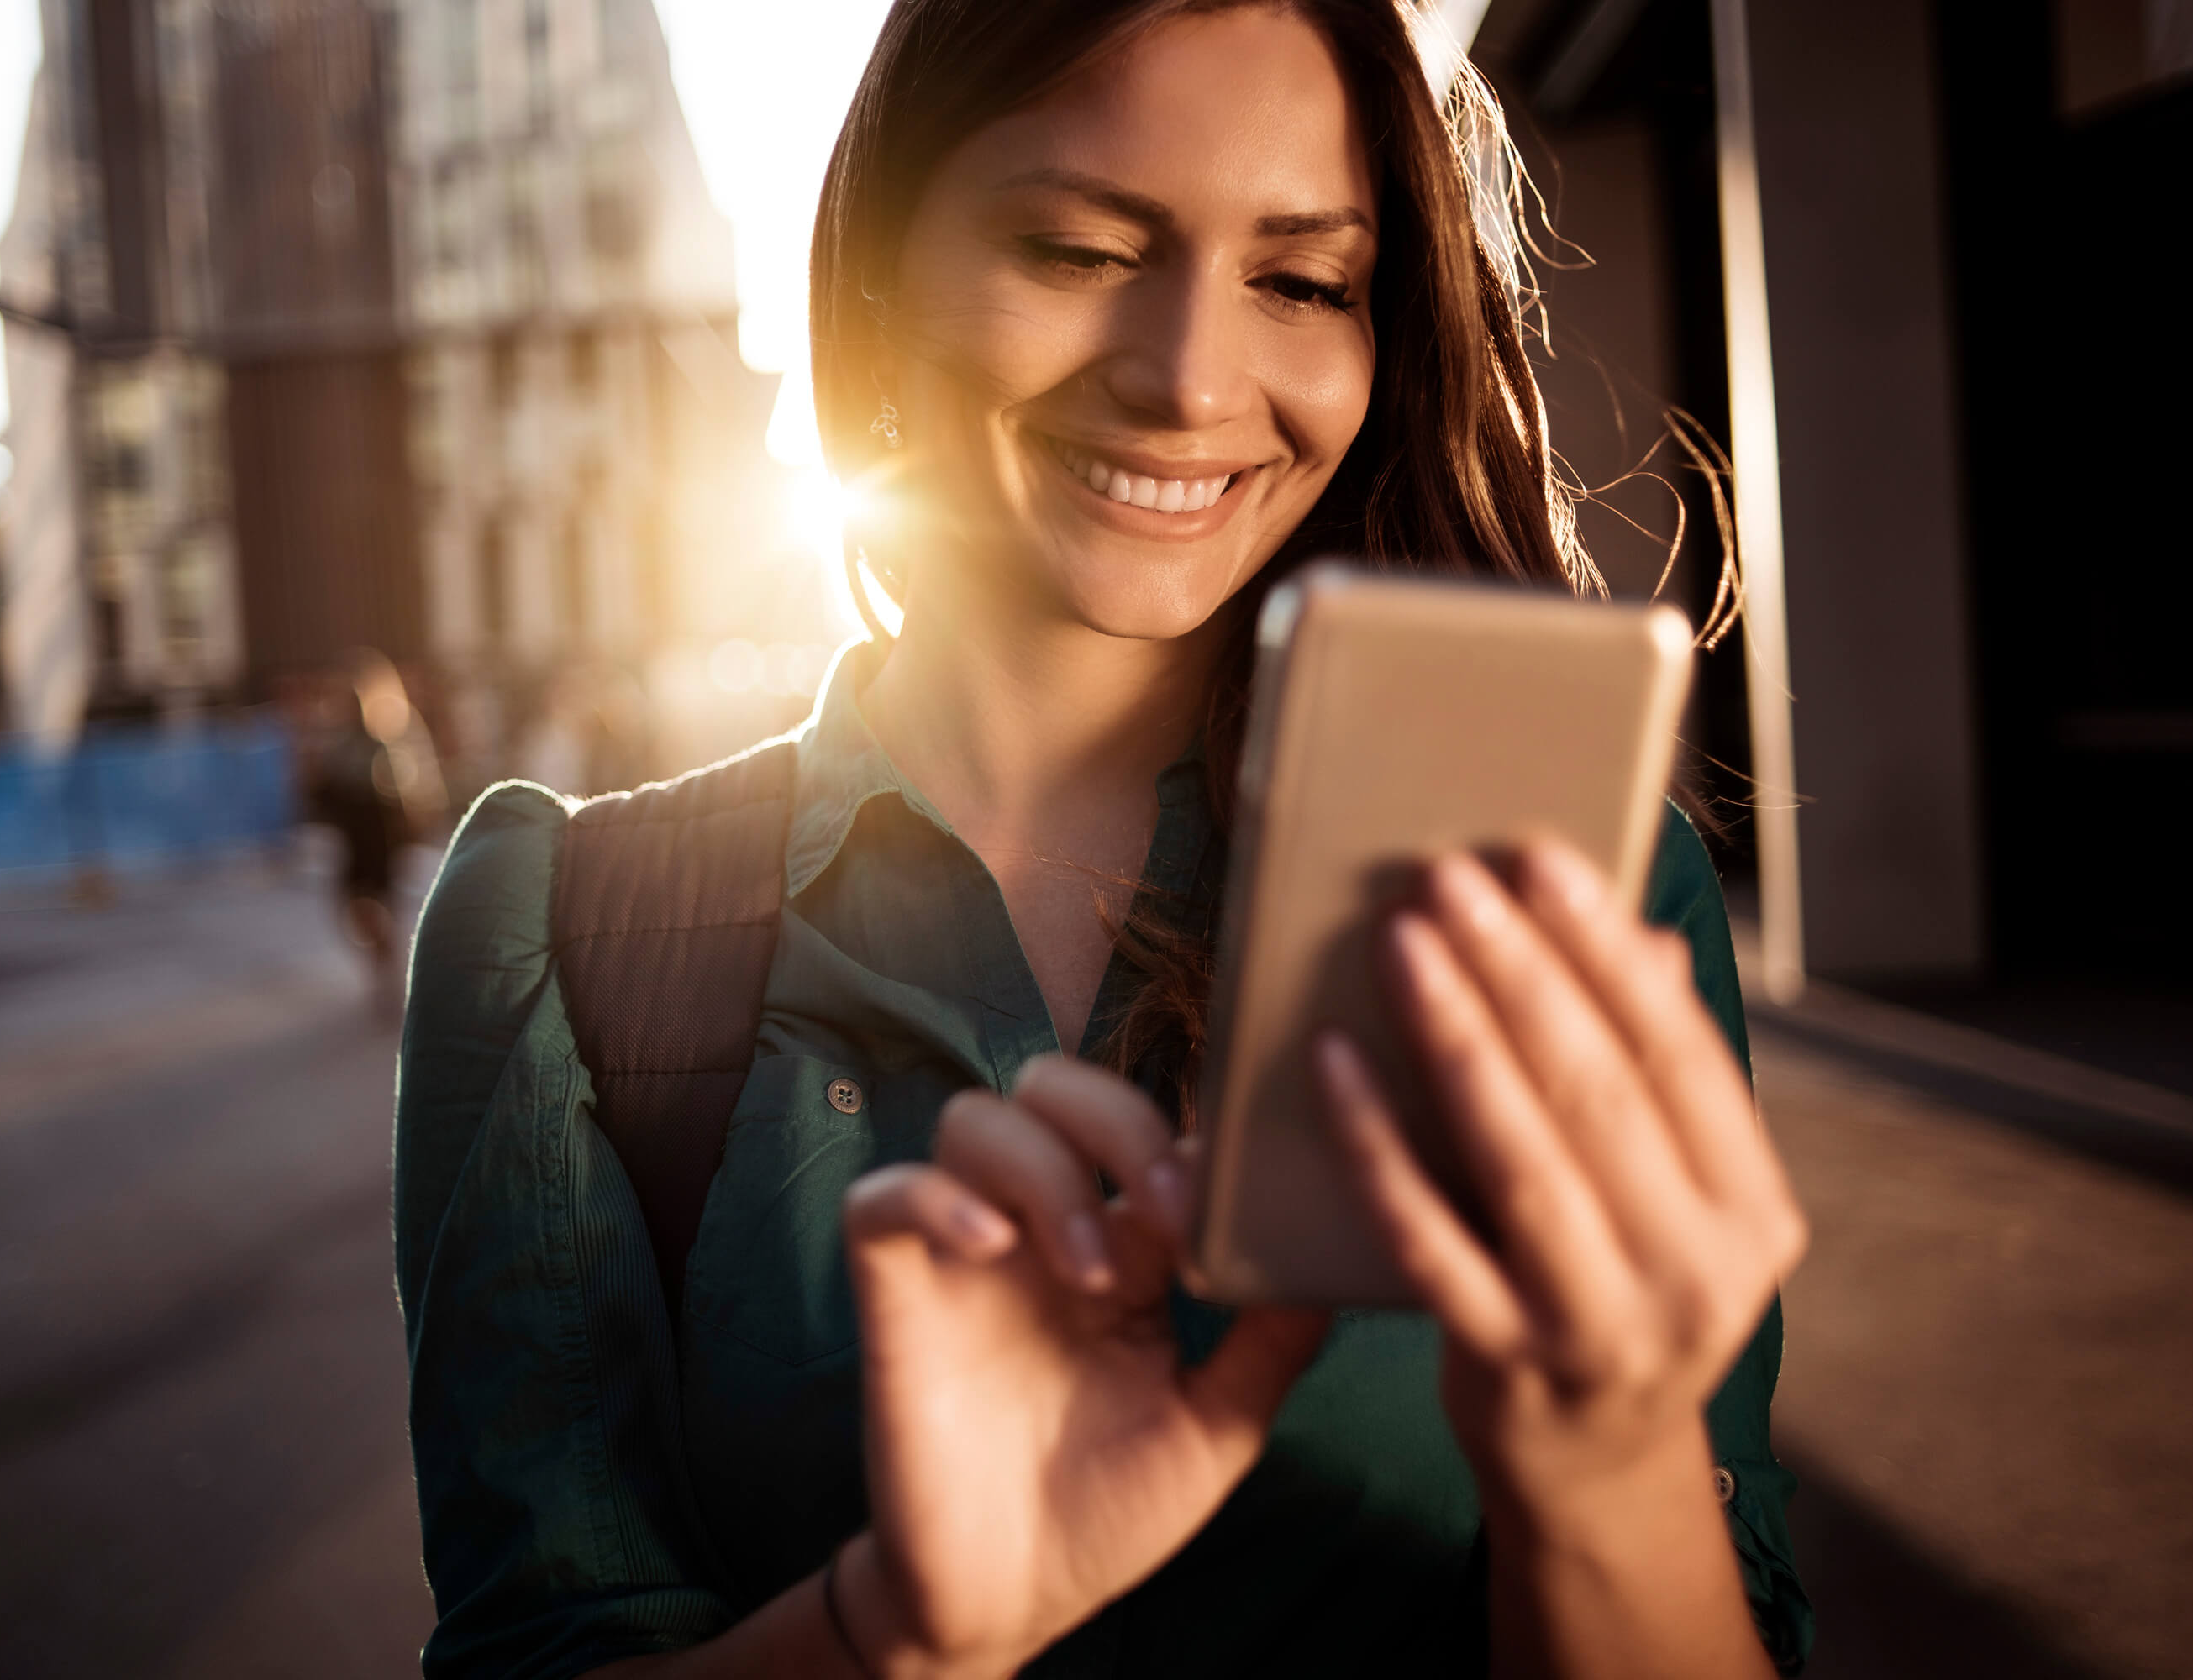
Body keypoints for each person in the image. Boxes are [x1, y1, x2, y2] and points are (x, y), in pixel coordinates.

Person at [395, 2, 1813, 1675]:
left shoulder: (1556, 892)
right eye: (1075, 249)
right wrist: (896, 1630)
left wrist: (1610, 1474)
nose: (1190, 377)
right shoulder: (568, 932)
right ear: (871, 268)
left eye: (1299, 282)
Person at [308, 648, 444, 1015]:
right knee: (356, 908)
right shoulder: (338, 737)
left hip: (379, 832)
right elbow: (325, 788)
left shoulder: (388, 732)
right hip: (355, 834)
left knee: (378, 906)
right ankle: (384, 966)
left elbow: (410, 784)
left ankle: (387, 972)